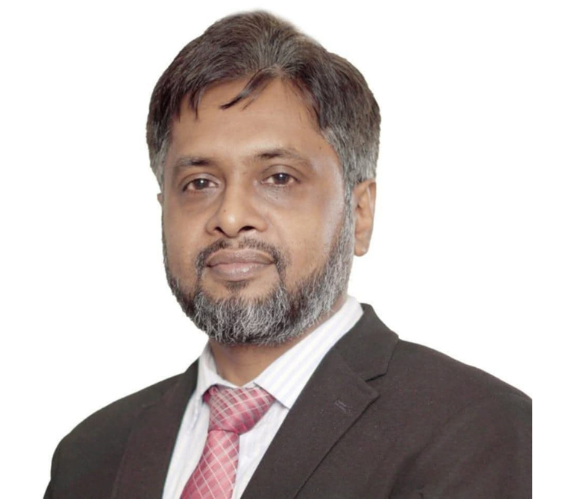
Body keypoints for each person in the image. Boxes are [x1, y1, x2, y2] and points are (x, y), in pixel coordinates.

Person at [44, 10, 532, 499]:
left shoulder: (478, 430)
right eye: (199, 183)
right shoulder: (91, 455)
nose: (230, 216)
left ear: (360, 213)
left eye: (279, 177)